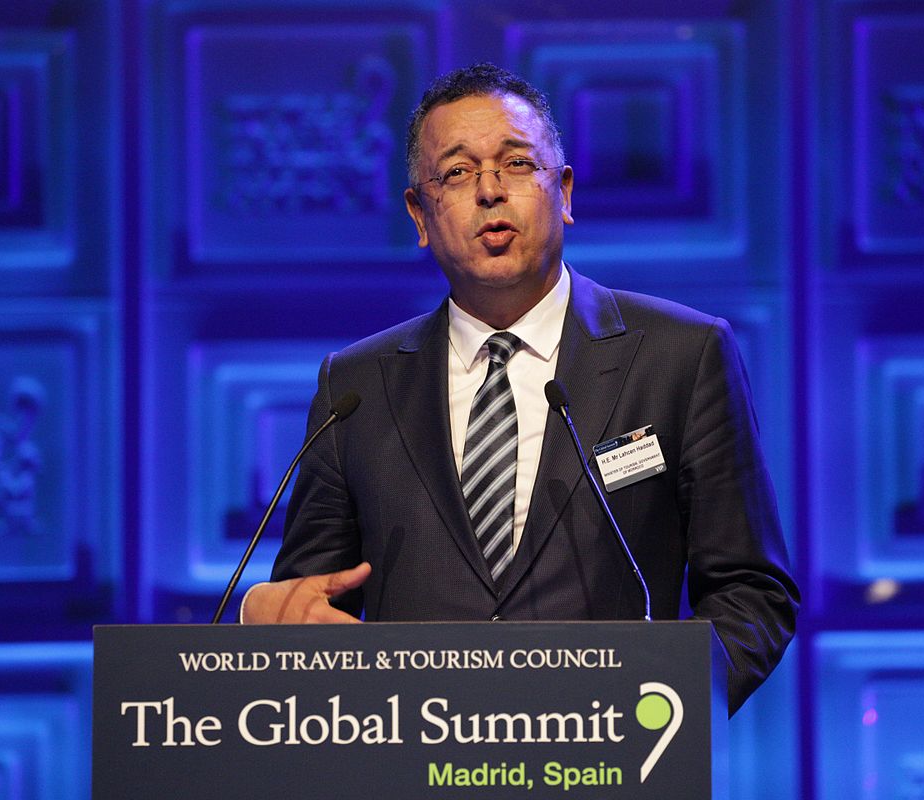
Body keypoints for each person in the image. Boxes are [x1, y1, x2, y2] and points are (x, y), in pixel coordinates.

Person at [240, 63, 799, 714]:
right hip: (417, 750)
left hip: (605, 752)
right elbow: (309, 602)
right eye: (457, 172)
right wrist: (263, 615)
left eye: (516, 164)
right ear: (420, 214)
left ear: (563, 192)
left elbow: (751, 590)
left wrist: (667, 712)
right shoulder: (356, 387)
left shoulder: (681, 356)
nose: (489, 191)